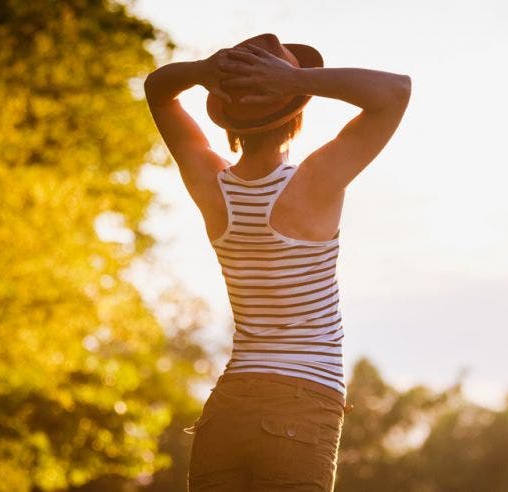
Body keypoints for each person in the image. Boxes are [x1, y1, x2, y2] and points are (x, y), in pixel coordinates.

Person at [143, 33, 411, 491]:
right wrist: (295, 78)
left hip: (226, 409)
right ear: (296, 114)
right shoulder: (315, 182)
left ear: (226, 117)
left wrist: (204, 71)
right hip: (302, 405)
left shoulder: (211, 184)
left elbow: (156, 89)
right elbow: (395, 92)